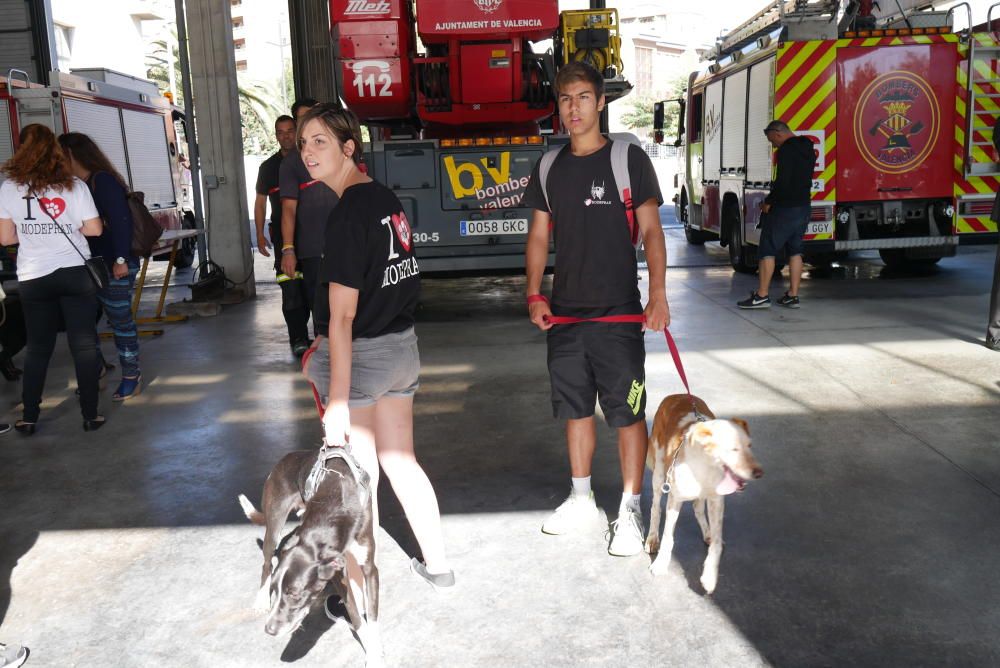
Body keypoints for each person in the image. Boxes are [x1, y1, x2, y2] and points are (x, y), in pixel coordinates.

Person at [298, 103, 454, 588]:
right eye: (303, 143)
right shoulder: (385, 199)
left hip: (363, 360)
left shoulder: (347, 215)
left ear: (349, 148)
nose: (307, 152)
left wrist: (339, 403)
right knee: (401, 462)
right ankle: (440, 567)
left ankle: (357, 592)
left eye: (320, 141)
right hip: (401, 351)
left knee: (357, 483)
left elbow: (343, 317)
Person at [522, 61, 669, 557]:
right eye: (565, 100)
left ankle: (629, 508)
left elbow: (651, 231)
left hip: (618, 314)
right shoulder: (548, 165)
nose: (574, 109)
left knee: (628, 414)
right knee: (575, 409)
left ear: (601, 102)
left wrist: (660, 295)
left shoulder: (628, 159)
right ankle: (582, 498)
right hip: (565, 314)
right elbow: (539, 235)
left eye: (583, 97)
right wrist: (535, 293)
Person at [0, 124, 105, 433]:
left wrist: (32, 233)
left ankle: (29, 416)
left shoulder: (8, 188)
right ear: (56, 151)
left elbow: (6, 238)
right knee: (83, 345)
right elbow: (95, 229)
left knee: (38, 347)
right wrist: (70, 227)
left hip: (34, 276)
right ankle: (90, 416)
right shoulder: (74, 186)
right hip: (74, 272)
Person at [58, 132, 142, 400]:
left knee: (120, 321)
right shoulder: (74, 185)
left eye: (59, 155)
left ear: (72, 154)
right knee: (82, 324)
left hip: (112, 264)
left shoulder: (102, 181)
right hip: (85, 265)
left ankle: (131, 376)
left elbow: (121, 222)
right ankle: (96, 372)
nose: (56, 161)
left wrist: (120, 260)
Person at [737, 120, 817, 309]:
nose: (771, 143)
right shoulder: (808, 149)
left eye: (771, 138)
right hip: (803, 206)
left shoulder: (786, 151)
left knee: (767, 250)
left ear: (778, 133)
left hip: (785, 209)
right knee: (795, 251)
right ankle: (793, 295)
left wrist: (769, 202)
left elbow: (783, 181)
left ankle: (762, 296)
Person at [278, 98, 339, 337]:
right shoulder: (292, 163)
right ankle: (326, 354)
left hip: (344, 244)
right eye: (302, 118)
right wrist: (288, 250)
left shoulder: (338, 151)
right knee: (321, 309)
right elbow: (289, 210)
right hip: (313, 250)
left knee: (350, 304)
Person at [254, 115, 311, 356]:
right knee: (291, 289)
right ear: (275, 135)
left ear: (297, 132)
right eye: (280, 132)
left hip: (312, 236)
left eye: (290, 131)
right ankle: (298, 338)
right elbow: (260, 204)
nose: (286, 136)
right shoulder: (268, 167)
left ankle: (321, 337)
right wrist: (259, 234)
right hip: (283, 241)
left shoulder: (311, 160)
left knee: (313, 289)